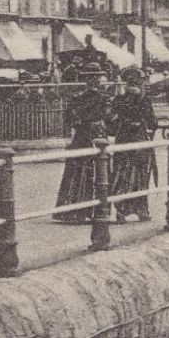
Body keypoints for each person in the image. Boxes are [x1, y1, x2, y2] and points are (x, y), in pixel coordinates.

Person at [52, 66, 113, 224]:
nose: (95, 81)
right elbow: (107, 117)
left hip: (81, 136)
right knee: (96, 169)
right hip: (95, 136)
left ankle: (74, 209)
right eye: (95, 78)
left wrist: (78, 122)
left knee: (78, 170)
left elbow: (68, 119)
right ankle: (95, 209)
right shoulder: (102, 98)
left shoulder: (77, 98)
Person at [108, 69, 158, 223]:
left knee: (121, 173)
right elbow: (152, 122)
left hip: (123, 140)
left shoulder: (119, 99)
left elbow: (112, 123)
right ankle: (141, 209)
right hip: (140, 140)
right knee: (141, 175)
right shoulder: (144, 100)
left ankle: (121, 209)